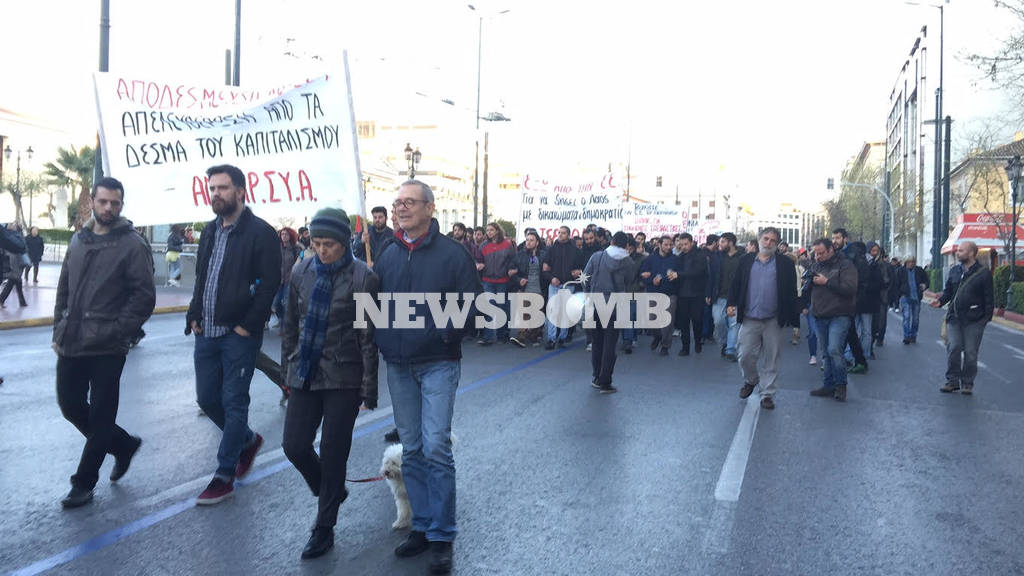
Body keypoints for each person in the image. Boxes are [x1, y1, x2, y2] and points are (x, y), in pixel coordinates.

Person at [374, 180, 481, 574]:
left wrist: (441, 333)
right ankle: (420, 526)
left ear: (430, 209)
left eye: (409, 202)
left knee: (436, 446)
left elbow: (473, 308)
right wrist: (384, 338)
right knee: (413, 448)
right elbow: (374, 305)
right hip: (399, 366)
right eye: (397, 201)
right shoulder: (387, 254)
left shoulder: (453, 255)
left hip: (438, 362)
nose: (401, 208)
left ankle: (441, 535)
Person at [281, 207, 379, 559]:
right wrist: (286, 370)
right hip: (305, 371)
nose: (321, 250)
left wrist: (369, 388)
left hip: (344, 376)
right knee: (294, 445)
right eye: (316, 243)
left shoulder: (362, 277)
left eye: (329, 244)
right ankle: (331, 490)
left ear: (344, 243)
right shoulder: (301, 270)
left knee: (335, 454)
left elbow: (368, 337)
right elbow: (290, 323)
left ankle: (323, 527)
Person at [52, 177, 155, 508]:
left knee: (100, 416)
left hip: (109, 346)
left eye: (115, 202)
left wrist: (118, 331)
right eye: (103, 202)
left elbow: (144, 297)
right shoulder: (78, 240)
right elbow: (64, 288)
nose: (109, 207)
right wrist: (59, 330)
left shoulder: (132, 244)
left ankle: (83, 483)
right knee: (70, 406)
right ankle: (123, 445)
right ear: (92, 203)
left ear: (121, 205)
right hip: (73, 341)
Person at [185, 164, 281, 505]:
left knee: (233, 400)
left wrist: (247, 325)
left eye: (222, 188)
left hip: (238, 334)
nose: (216, 194)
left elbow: (270, 284)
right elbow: (203, 277)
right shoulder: (210, 231)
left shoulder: (261, 233)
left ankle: (223, 475)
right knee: (207, 398)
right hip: (206, 331)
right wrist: (193, 314)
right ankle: (246, 441)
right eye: (212, 188)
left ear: (241, 191)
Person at [726, 227, 799, 409]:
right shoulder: (746, 261)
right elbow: (736, 284)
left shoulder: (785, 264)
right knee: (744, 355)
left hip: (773, 318)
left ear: (777, 244)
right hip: (750, 316)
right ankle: (751, 380)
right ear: (759, 239)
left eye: (773, 241)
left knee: (771, 357)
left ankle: (767, 394)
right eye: (765, 239)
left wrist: (794, 316)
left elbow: (790, 291)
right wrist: (731, 303)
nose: (768, 243)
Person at [932, 241, 994, 395]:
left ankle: (967, 382)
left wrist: (985, 319)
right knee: (953, 347)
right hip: (954, 317)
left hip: (974, 320)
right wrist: (940, 301)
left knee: (971, 353)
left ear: (971, 253)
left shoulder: (983, 273)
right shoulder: (954, 271)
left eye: (961, 251)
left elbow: (989, 298)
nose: (957, 253)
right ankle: (952, 381)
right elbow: (948, 292)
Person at [806, 238, 857, 402]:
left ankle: (841, 385)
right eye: (816, 253)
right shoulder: (816, 265)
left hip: (839, 313)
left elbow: (849, 289)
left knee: (835, 349)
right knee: (826, 352)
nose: (818, 256)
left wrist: (827, 282)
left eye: (821, 253)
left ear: (831, 250)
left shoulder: (845, 265)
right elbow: (808, 288)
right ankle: (828, 385)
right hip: (820, 313)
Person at [583, 231, 632, 393]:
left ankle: (597, 377)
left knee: (597, 343)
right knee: (610, 345)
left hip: (595, 303)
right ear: (626, 246)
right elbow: (629, 282)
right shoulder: (628, 262)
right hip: (614, 306)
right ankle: (606, 380)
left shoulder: (597, 256)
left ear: (611, 242)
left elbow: (585, 277)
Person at [541, 226, 582, 349]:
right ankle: (551, 339)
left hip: (568, 285)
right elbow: (545, 269)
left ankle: (562, 338)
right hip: (554, 284)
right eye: (559, 232)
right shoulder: (551, 249)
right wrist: (551, 278)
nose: (560, 235)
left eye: (563, 233)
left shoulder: (575, 250)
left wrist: (577, 273)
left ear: (568, 234)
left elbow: (581, 268)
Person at [478, 222, 516, 345]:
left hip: (502, 280)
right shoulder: (483, 246)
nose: (489, 232)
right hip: (488, 280)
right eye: (487, 230)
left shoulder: (507, 244)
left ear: (497, 231)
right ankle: (487, 336)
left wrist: (510, 270)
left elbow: (512, 260)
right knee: (489, 306)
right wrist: (479, 264)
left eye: (491, 230)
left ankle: (503, 334)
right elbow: (478, 259)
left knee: (502, 307)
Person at [640, 236, 679, 356]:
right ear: (660, 245)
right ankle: (657, 335)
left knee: (668, 321)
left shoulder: (675, 259)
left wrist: (676, 276)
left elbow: (680, 275)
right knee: (652, 319)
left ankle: (665, 345)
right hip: (654, 292)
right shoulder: (650, 259)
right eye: (666, 245)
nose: (668, 247)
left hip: (669, 293)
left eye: (670, 245)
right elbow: (643, 275)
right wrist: (652, 280)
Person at [509, 230, 546, 347]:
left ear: (537, 242)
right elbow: (511, 271)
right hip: (525, 288)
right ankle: (521, 337)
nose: (528, 242)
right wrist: (519, 279)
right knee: (524, 313)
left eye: (531, 240)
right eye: (527, 240)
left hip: (539, 288)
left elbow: (548, 270)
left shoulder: (544, 255)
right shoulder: (520, 255)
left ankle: (534, 335)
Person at [674, 233, 708, 356]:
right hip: (682, 294)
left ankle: (698, 341)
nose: (683, 247)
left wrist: (679, 274)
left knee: (697, 320)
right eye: (681, 244)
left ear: (691, 242)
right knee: (683, 322)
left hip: (697, 294)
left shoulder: (700, 255)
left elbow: (697, 272)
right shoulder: (680, 257)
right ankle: (685, 347)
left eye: (686, 244)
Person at [711, 232, 742, 361]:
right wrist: (709, 293)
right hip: (719, 296)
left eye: (723, 242)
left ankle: (730, 349)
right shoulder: (718, 257)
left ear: (731, 242)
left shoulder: (742, 258)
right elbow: (711, 276)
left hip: (735, 297)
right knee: (718, 322)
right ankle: (724, 343)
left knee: (734, 324)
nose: (720, 244)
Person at [271, 227, 302, 328]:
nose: (284, 236)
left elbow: (300, 262)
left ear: (291, 236)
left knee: (286, 303)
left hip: (290, 280)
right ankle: (281, 320)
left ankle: (285, 326)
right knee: (275, 304)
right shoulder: (276, 247)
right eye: (282, 234)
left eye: (286, 234)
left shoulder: (296, 249)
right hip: (278, 280)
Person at [620, 237, 647, 353]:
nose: (628, 250)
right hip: (621, 291)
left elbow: (644, 274)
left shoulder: (642, 259)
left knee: (631, 317)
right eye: (626, 248)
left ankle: (628, 340)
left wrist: (641, 284)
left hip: (635, 291)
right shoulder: (620, 258)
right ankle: (628, 339)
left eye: (630, 248)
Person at [896, 255, 928, 344]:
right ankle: (906, 336)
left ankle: (913, 335)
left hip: (916, 297)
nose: (911, 263)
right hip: (905, 297)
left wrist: (924, 285)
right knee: (906, 317)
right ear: (906, 262)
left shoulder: (919, 270)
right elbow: (896, 284)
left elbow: (926, 280)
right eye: (909, 262)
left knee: (915, 319)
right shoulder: (900, 271)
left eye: (913, 262)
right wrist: (899, 296)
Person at [0, 223, 28, 307]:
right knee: (15, 279)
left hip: (17, 260)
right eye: (11, 224)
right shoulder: (8, 235)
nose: (12, 225)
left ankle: (21, 301)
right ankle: (2, 299)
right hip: (13, 260)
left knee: (16, 280)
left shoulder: (16, 235)